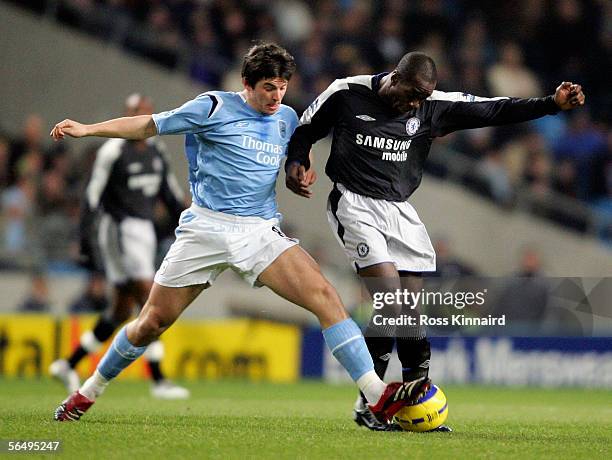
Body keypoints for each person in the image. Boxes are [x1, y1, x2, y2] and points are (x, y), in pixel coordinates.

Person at [49, 43, 430, 423]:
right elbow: (148, 125)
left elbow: (297, 147)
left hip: (259, 230)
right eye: (268, 86)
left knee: (325, 296)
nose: (276, 96)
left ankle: (376, 395)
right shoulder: (212, 107)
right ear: (247, 84)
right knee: (151, 322)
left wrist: (299, 169)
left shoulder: (286, 117)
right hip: (206, 228)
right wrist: (88, 130)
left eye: (282, 86)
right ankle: (87, 392)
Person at [285, 51, 585, 431]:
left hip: (400, 211)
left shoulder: (432, 106)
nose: (414, 104)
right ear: (395, 77)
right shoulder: (346, 92)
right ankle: (371, 406)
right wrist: (297, 161)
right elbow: (306, 129)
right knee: (392, 303)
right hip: (354, 204)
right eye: (411, 94)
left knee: (409, 314)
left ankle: (414, 400)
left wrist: (551, 105)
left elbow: (494, 109)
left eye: (421, 97)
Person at [49, 94, 190, 400]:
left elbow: (170, 194)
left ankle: (67, 364)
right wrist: (85, 239)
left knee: (121, 309)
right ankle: (158, 379)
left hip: (144, 231)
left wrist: (187, 221)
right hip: (118, 229)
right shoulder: (112, 150)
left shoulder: (157, 151)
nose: (140, 115)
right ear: (126, 114)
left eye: (144, 111)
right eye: (135, 111)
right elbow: (92, 195)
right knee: (149, 298)